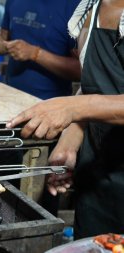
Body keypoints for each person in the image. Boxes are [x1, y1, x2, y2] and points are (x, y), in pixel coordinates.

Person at [6, 0, 124, 239]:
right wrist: (69, 143)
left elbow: (85, 102)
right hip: (97, 177)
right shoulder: (89, 9)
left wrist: (73, 107)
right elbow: (93, 85)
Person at [0, 0, 81, 100]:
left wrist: (35, 53)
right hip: (10, 94)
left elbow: (80, 70)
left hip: (49, 104)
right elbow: (3, 42)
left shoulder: (74, 6)